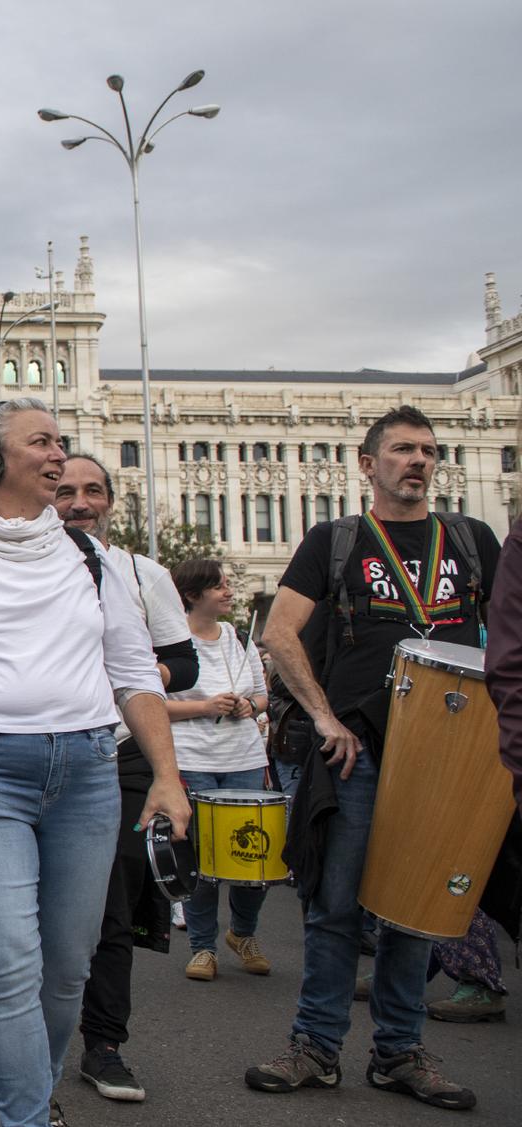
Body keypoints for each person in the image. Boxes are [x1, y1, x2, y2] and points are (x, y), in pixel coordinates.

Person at [0, 384, 185, 1127]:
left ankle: (34, 1091)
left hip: (85, 772)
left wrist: (169, 777)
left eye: (60, 440)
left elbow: (135, 672)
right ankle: (27, 1116)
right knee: (9, 959)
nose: (60, 455)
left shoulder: (91, 557)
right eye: (43, 442)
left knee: (67, 967)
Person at [248, 405, 498, 1111]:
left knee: (414, 908)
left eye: (427, 450)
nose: (417, 461)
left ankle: (398, 1052)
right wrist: (325, 715)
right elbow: (282, 632)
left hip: (447, 755)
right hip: (359, 749)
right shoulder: (338, 540)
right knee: (334, 904)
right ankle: (317, 1047)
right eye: (401, 450)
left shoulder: (471, 540)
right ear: (367, 464)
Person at [52, 452, 201, 1105]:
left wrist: (131, 681)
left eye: (92, 490)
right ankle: (7, 1033)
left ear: (111, 500)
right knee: (27, 904)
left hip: (120, 750)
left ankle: (104, 1041)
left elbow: (183, 662)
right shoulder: (19, 570)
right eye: (64, 491)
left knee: (108, 901)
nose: (79, 502)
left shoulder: (144, 573)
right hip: (44, 750)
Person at [164, 559, 272, 984]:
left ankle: (242, 934)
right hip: (194, 760)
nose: (228, 591)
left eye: (228, 584)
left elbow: (263, 696)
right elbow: (150, 706)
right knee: (203, 861)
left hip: (245, 759)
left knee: (253, 859)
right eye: (219, 586)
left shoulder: (239, 637)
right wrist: (205, 708)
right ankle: (203, 947)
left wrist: (250, 706)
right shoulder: (171, 645)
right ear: (192, 595)